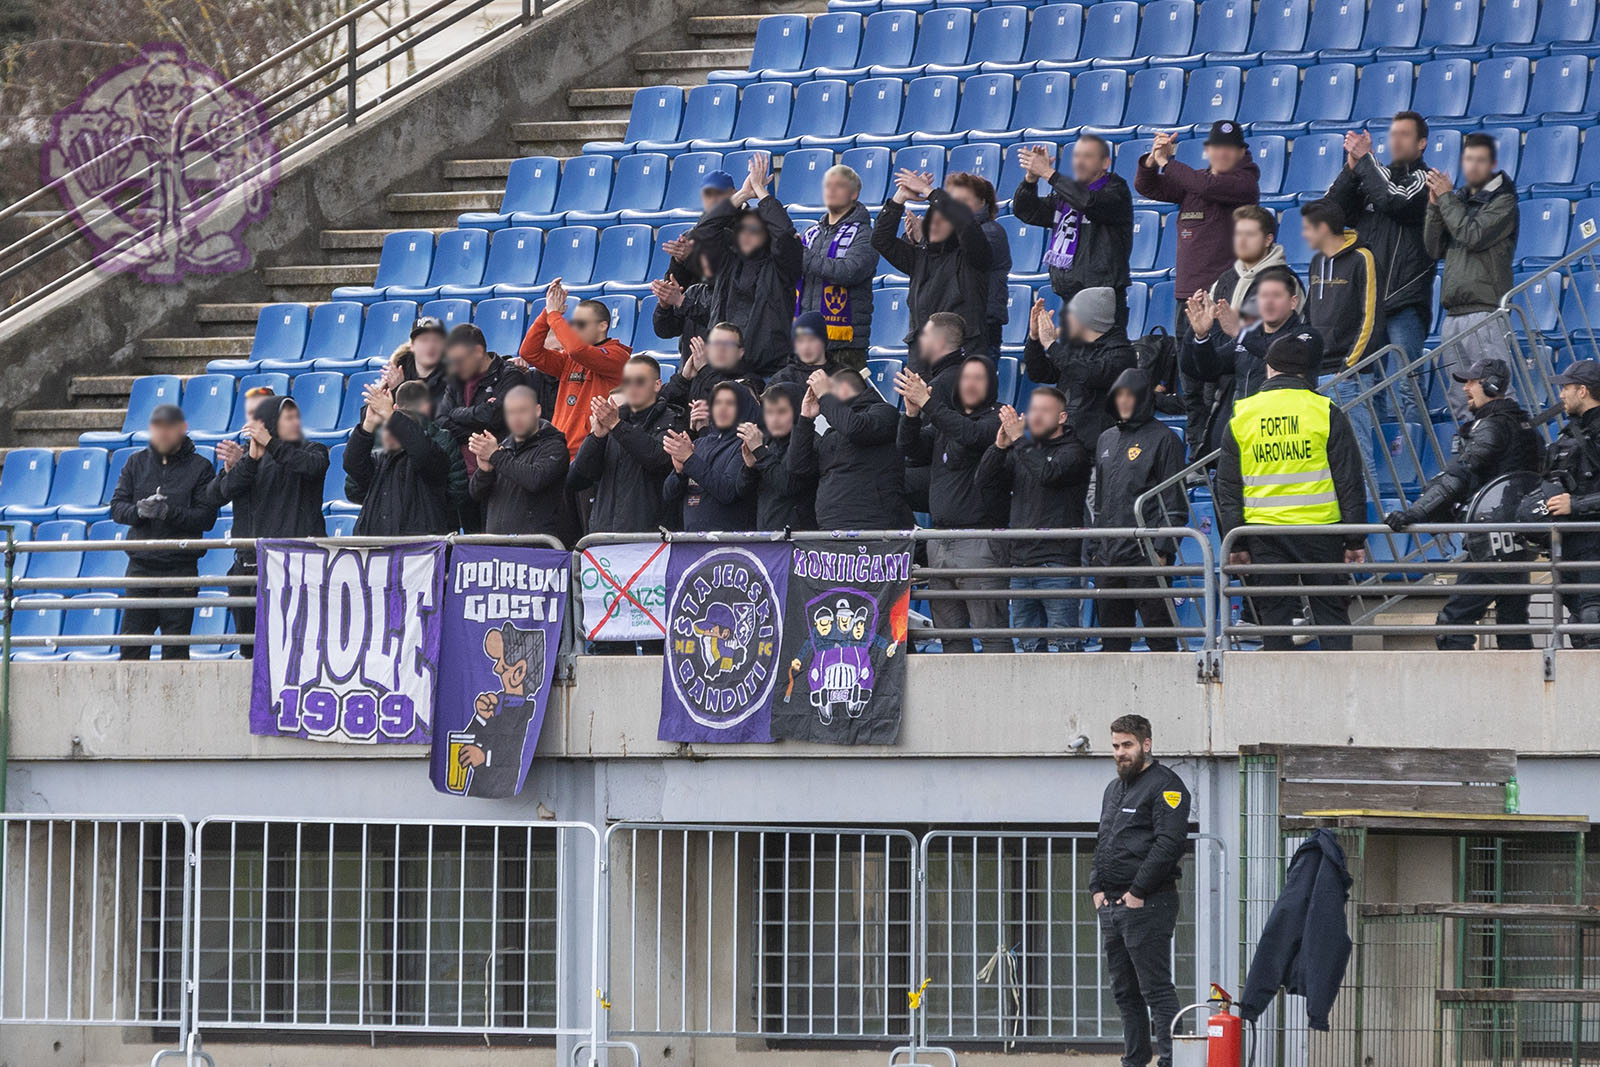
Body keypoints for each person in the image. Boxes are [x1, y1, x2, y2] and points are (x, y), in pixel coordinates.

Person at [1215, 332, 1368, 650]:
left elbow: (1228, 487)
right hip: (1321, 531)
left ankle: (1277, 682)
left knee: (1274, 620)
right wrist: (1355, 538)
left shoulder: (1243, 415)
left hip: (1263, 533)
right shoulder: (1325, 411)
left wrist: (1235, 540)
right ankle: (1341, 680)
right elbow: (1349, 480)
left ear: (1269, 367)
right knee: (1331, 616)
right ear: (1305, 371)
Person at [1383, 358, 1542, 649]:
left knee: (1453, 624)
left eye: (1472, 382)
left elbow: (1459, 477)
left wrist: (1414, 512)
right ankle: (1525, 679)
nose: (1466, 388)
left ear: (1491, 386)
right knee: (1513, 623)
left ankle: (1459, 681)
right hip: (1518, 540)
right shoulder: (1525, 426)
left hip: (1491, 541)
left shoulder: (1491, 426)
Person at [1091, 714, 1191, 1067]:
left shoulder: (1167, 786)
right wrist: (1096, 888)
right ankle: (1134, 1059)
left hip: (1148, 903)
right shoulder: (1114, 789)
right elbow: (1103, 841)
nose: (1120, 752)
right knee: (1125, 992)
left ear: (1146, 745)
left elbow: (1169, 844)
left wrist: (1137, 891)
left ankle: (1172, 1061)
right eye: (1115, 746)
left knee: (1156, 990)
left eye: (1127, 745)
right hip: (1113, 905)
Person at [1327, 111, 1434, 428]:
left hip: (1404, 300)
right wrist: (1351, 168)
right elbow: (1331, 212)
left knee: (1407, 385)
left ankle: (1415, 454)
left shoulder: (1424, 180)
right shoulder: (1373, 174)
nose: (1396, 140)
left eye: (1405, 134)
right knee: (1370, 388)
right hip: (1368, 303)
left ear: (1422, 143)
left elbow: (1394, 201)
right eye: (1393, 134)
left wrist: (1365, 162)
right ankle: (1380, 455)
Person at [651, 154, 803, 377]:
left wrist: (762, 193)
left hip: (767, 371)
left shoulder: (781, 267)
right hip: (722, 366)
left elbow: (784, 236)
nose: (746, 235)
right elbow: (703, 233)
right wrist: (743, 194)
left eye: (754, 230)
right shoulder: (728, 261)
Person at [897, 353, 1007, 653]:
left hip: (979, 541)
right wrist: (912, 415)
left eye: (978, 378)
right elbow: (911, 451)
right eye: (965, 378)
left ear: (991, 383)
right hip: (940, 540)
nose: (970, 384)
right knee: (950, 637)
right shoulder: (946, 422)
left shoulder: (997, 418)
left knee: (991, 634)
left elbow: (970, 435)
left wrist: (928, 403)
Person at [207, 395, 329, 657]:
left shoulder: (313, 449)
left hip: (293, 565)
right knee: (250, 649)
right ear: (271, 422)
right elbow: (217, 495)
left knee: (294, 647)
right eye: (288, 417)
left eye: (296, 416)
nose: (296, 422)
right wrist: (244, 463)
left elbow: (311, 467)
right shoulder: (250, 456)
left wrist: (271, 444)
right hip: (247, 565)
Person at [976, 387, 1093, 652]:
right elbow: (983, 482)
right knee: (1028, 646)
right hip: (1021, 562)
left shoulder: (1074, 451)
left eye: (1044, 410)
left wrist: (1020, 440)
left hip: (1057, 563)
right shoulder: (1023, 449)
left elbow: (1048, 474)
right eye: (1033, 410)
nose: (1036, 416)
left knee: (1066, 644)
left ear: (1062, 417)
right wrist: (999, 447)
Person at [1087, 369, 1188, 651]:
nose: (1123, 401)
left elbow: (1174, 501)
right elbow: (1099, 501)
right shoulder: (1106, 439)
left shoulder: (1165, 439)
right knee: (1112, 642)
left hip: (1147, 557)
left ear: (1143, 397)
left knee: (1160, 637)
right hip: (1108, 556)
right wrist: (1095, 548)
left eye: (1130, 395)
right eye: (1119, 395)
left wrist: (1163, 549)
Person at [109, 404, 218, 660]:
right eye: (157, 427)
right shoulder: (136, 462)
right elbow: (117, 508)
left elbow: (206, 518)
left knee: (176, 650)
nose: (163, 433)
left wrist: (168, 513)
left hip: (180, 568)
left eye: (169, 427)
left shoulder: (201, 467)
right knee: (132, 649)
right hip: (141, 567)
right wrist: (139, 510)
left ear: (183, 429)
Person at [1424, 132, 1520, 422]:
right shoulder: (1458, 201)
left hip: (1484, 312)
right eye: (1469, 159)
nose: (1473, 166)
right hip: (1454, 313)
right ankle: (1472, 447)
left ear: (1493, 164)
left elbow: (1472, 235)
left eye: (1480, 160)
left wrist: (1446, 199)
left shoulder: (1504, 201)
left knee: (1495, 390)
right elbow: (1433, 248)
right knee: (1460, 396)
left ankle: (1509, 444)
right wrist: (1434, 207)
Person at [1136, 120, 1262, 333]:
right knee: (1185, 354)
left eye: (1229, 148)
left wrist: (1166, 162)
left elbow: (1205, 187)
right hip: (1187, 293)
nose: (1222, 153)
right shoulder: (1196, 181)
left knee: (1216, 353)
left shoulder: (1244, 182)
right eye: (1217, 147)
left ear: (1242, 152)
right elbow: (1146, 186)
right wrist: (1152, 160)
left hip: (1223, 295)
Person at [1182, 267, 1311, 455]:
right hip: (1241, 437)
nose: (1268, 302)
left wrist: (1239, 334)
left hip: (1281, 440)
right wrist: (1199, 335)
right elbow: (1205, 370)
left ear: (1293, 302)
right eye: (1263, 296)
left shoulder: (1305, 336)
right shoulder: (1247, 338)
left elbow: (1282, 358)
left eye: (1276, 296)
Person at [1012, 136, 1135, 328]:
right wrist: (1031, 179)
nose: (1079, 162)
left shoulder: (1115, 190)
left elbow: (1089, 203)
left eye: (1087, 156)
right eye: (1077, 156)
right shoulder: (1067, 197)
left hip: (1101, 296)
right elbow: (1026, 211)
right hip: (1070, 294)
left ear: (1105, 163)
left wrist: (1048, 173)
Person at [872, 167, 994, 353]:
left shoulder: (973, 254)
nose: (935, 224)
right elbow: (880, 239)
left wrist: (928, 191)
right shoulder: (920, 256)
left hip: (961, 351)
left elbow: (966, 225)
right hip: (922, 351)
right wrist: (899, 199)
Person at [1301, 198, 1383, 470]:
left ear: (1323, 228)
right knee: (1324, 461)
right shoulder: (1316, 262)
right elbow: (1309, 317)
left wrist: (1349, 367)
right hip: (1317, 375)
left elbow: (1370, 317)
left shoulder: (1363, 258)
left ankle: (1369, 502)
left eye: (1308, 228)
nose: (1304, 234)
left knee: (1358, 458)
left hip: (1348, 376)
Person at [569, 355, 688, 534]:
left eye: (639, 381)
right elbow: (577, 480)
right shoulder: (612, 422)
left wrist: (617, 426)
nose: (632, 388)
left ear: (657, 385)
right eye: (627, 382)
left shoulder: (674, 420)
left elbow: (658, 460)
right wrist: (596, 438)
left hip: (650, 537)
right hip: (604, 535)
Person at [515, 278, 630, 459]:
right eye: (573, 324)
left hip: (592, 452)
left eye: (581, 324)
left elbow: (577, 350)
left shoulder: (617, 355)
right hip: (559, 450)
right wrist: (547, 313)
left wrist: (555, 316)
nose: (575, 329)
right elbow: (529, 352)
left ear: (603, 326)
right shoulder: (569, 359)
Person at [434, 322, 528, 532]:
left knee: (494, 543)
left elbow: (496, 416)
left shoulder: (509, 375)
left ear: (478, 351)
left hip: (499, 477)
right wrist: (478, 426)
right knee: (470, 542)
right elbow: (441, 421)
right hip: (463, 478)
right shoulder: (456, 380)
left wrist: (457, 414)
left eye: (459, 359)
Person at [791, 367, 910, 530]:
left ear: (844, 389)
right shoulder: (831, 433)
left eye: (827, 392)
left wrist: (825, 396)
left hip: (875, 527)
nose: (821, 400)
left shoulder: (885, 412)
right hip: (831, 527)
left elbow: (855, 429)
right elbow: (798, 467)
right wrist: (805, 419)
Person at [1024, 288, 1138, 451]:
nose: (1065, 318)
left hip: (1096, 448)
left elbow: (1089, 374)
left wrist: (1051, 345)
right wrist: (1034, 339)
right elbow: (1039, 373)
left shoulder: (1121, 353)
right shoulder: (1074, 348)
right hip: (1064, 443)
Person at [466, 383, 577, 544]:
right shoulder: (503, 448)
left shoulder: (555, 447)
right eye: (511, 412)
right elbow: (476, 494)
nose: (516, 418)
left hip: (537, 548)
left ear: (537, 410)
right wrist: (485, 471)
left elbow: (535, 479)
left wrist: (495, 456)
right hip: (498, 547)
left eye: (522, 411)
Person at [344, 380, 457, 536]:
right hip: (374, 543)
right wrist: (368, 424)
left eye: (392, 427)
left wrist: (391, 415)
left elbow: (422, 452)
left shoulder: (431, 456)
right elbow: (352, 463)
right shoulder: (378, 460)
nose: (386, 432)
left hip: (416, 547)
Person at [1539, 359, 1600, 647]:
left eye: (1566, 388)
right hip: (1570, 545)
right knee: (1578, 627)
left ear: (1583, 391)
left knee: (1591, 622)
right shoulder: (1569, 434)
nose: (1561, 394)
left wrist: (1575, 505)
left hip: (1594, 546)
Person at [795, 163, 877, 369]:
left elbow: (849, 271)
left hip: (845, 347)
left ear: (854, 193)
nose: (831, 190)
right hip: (806, 341)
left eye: (839, 185)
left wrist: (800, 255)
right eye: (827, 185)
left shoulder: (865, 234)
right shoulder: (812, 233)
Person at [663, 380, 760, 531]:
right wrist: (679, 472)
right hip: (692, 539)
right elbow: (669, 495)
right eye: (717, 403)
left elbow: (728, 492)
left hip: (731, 541)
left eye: (730, 403)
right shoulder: (698, 444)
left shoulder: (746, 445)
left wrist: (689, 459)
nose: (722, 408)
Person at [938, 172, 1011, 356]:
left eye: (964, 200)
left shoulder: (991, 232)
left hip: (982, 325)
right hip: (957, 322)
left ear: (983, 202)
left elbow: (968, 258)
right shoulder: (950, 233)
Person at [740, 383, 817, 530]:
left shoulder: (811, 442)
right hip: (766, 535)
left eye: (782, 412)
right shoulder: (766, 443)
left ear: (797, 410)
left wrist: (760, 453)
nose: (774, 419)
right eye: (769, 412)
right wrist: (750, 468)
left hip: (798, 537)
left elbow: (788, 485)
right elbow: (744, 494)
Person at [659, 321, 764, 424]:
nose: (721, 349)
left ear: (740, 352)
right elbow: (659, 403)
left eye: (728, 344)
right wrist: (683, 380)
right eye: (715, 344)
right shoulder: (698, 377)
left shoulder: (751, 381)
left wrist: (704, 370)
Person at [663, 169, 737, 289]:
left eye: (719, 193)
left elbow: (733, 280)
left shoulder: (747, 231)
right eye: (708, 194)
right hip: (700, 300)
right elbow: (679, 286)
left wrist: (691, 257)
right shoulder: (692, 235)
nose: (713, 199)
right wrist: (678, 261)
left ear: (734, 194)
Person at [382, 315, 449, 411]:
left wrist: (398, 389)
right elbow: (370, 411)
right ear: (412, 345)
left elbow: (433, 415)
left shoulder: (452, 377)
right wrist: (393, 390)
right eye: (424, 340)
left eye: (436, 340)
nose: (430, 346)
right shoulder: (398, 370)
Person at [768, 311, 843, 389]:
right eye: (800, 341)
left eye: (811, 340)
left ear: (824, 341)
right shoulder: (781, 380)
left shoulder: (844, 376)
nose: (805, 347)